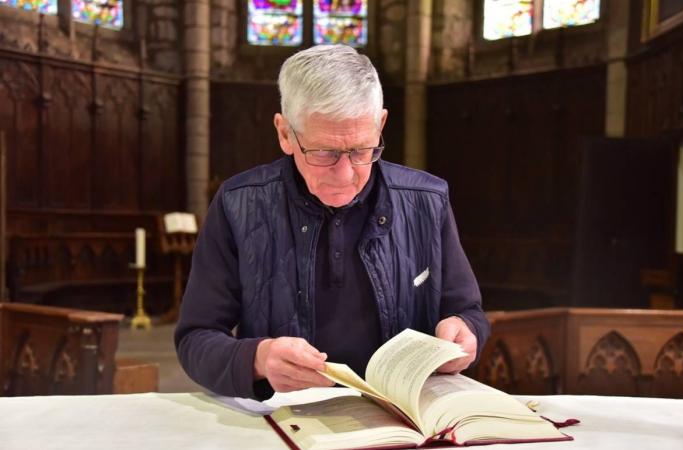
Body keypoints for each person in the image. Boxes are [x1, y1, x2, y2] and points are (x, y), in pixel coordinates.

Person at [175, 44, 490, 400]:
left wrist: (464, 331)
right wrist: (256, 359)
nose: (344, 174)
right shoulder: (238, 204)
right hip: (286, 420)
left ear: (380, 124)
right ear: (284, 134)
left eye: (360, 150)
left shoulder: (426, 202)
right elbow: (195, 339)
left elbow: (467, 312)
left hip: (402, 417)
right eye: (324, 152)